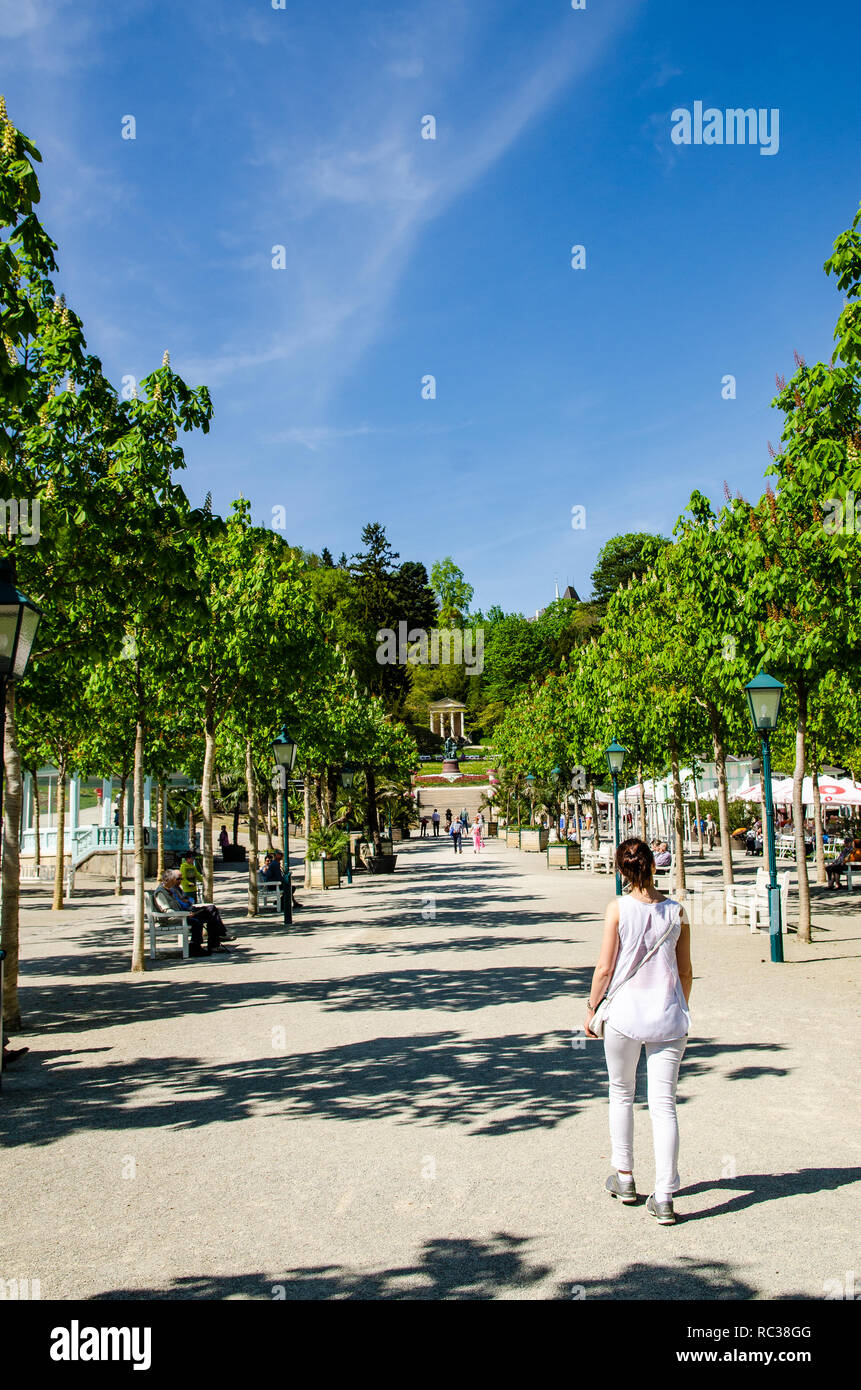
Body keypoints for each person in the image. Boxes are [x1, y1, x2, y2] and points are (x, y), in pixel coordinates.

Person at [585, 837, 692, 1226]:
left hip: (625, 1015)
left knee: (621, 1093)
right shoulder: (677, 911)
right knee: (664, 1105)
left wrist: (592, 1007)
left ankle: (625, 1176)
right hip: (666, 1016)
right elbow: (685, 971)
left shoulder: (618, 909)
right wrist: (681, 1004)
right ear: (653, 866)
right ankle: (664, 1195)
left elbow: (604, 969)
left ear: (621, 870)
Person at [156, 870, 235, 956]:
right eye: (173, 881)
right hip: (174, 918)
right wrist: (185, 914)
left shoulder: (169, 890)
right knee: (197, 921)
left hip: (182, 914)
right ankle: (198, 945)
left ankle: (213, 940)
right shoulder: (161, 892)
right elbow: (167, 910)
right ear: (166, 881)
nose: (174, 883)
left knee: (210, 912)